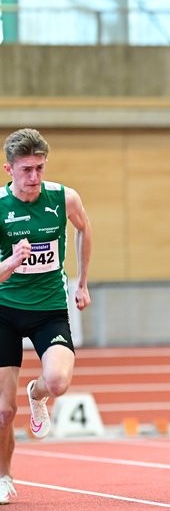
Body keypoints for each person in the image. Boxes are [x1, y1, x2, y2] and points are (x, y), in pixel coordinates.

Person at [0, 128, 92, 504]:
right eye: (26, 170)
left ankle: (36, 394)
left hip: (50, 307)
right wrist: (11, 261)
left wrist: (83, 283)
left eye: (39, 168)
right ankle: (4, 476)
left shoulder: (64, 197)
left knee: (57, 381)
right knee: (3, 411)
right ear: (9, 169)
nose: (34, 177)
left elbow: (84, 230)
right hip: (4, 309)